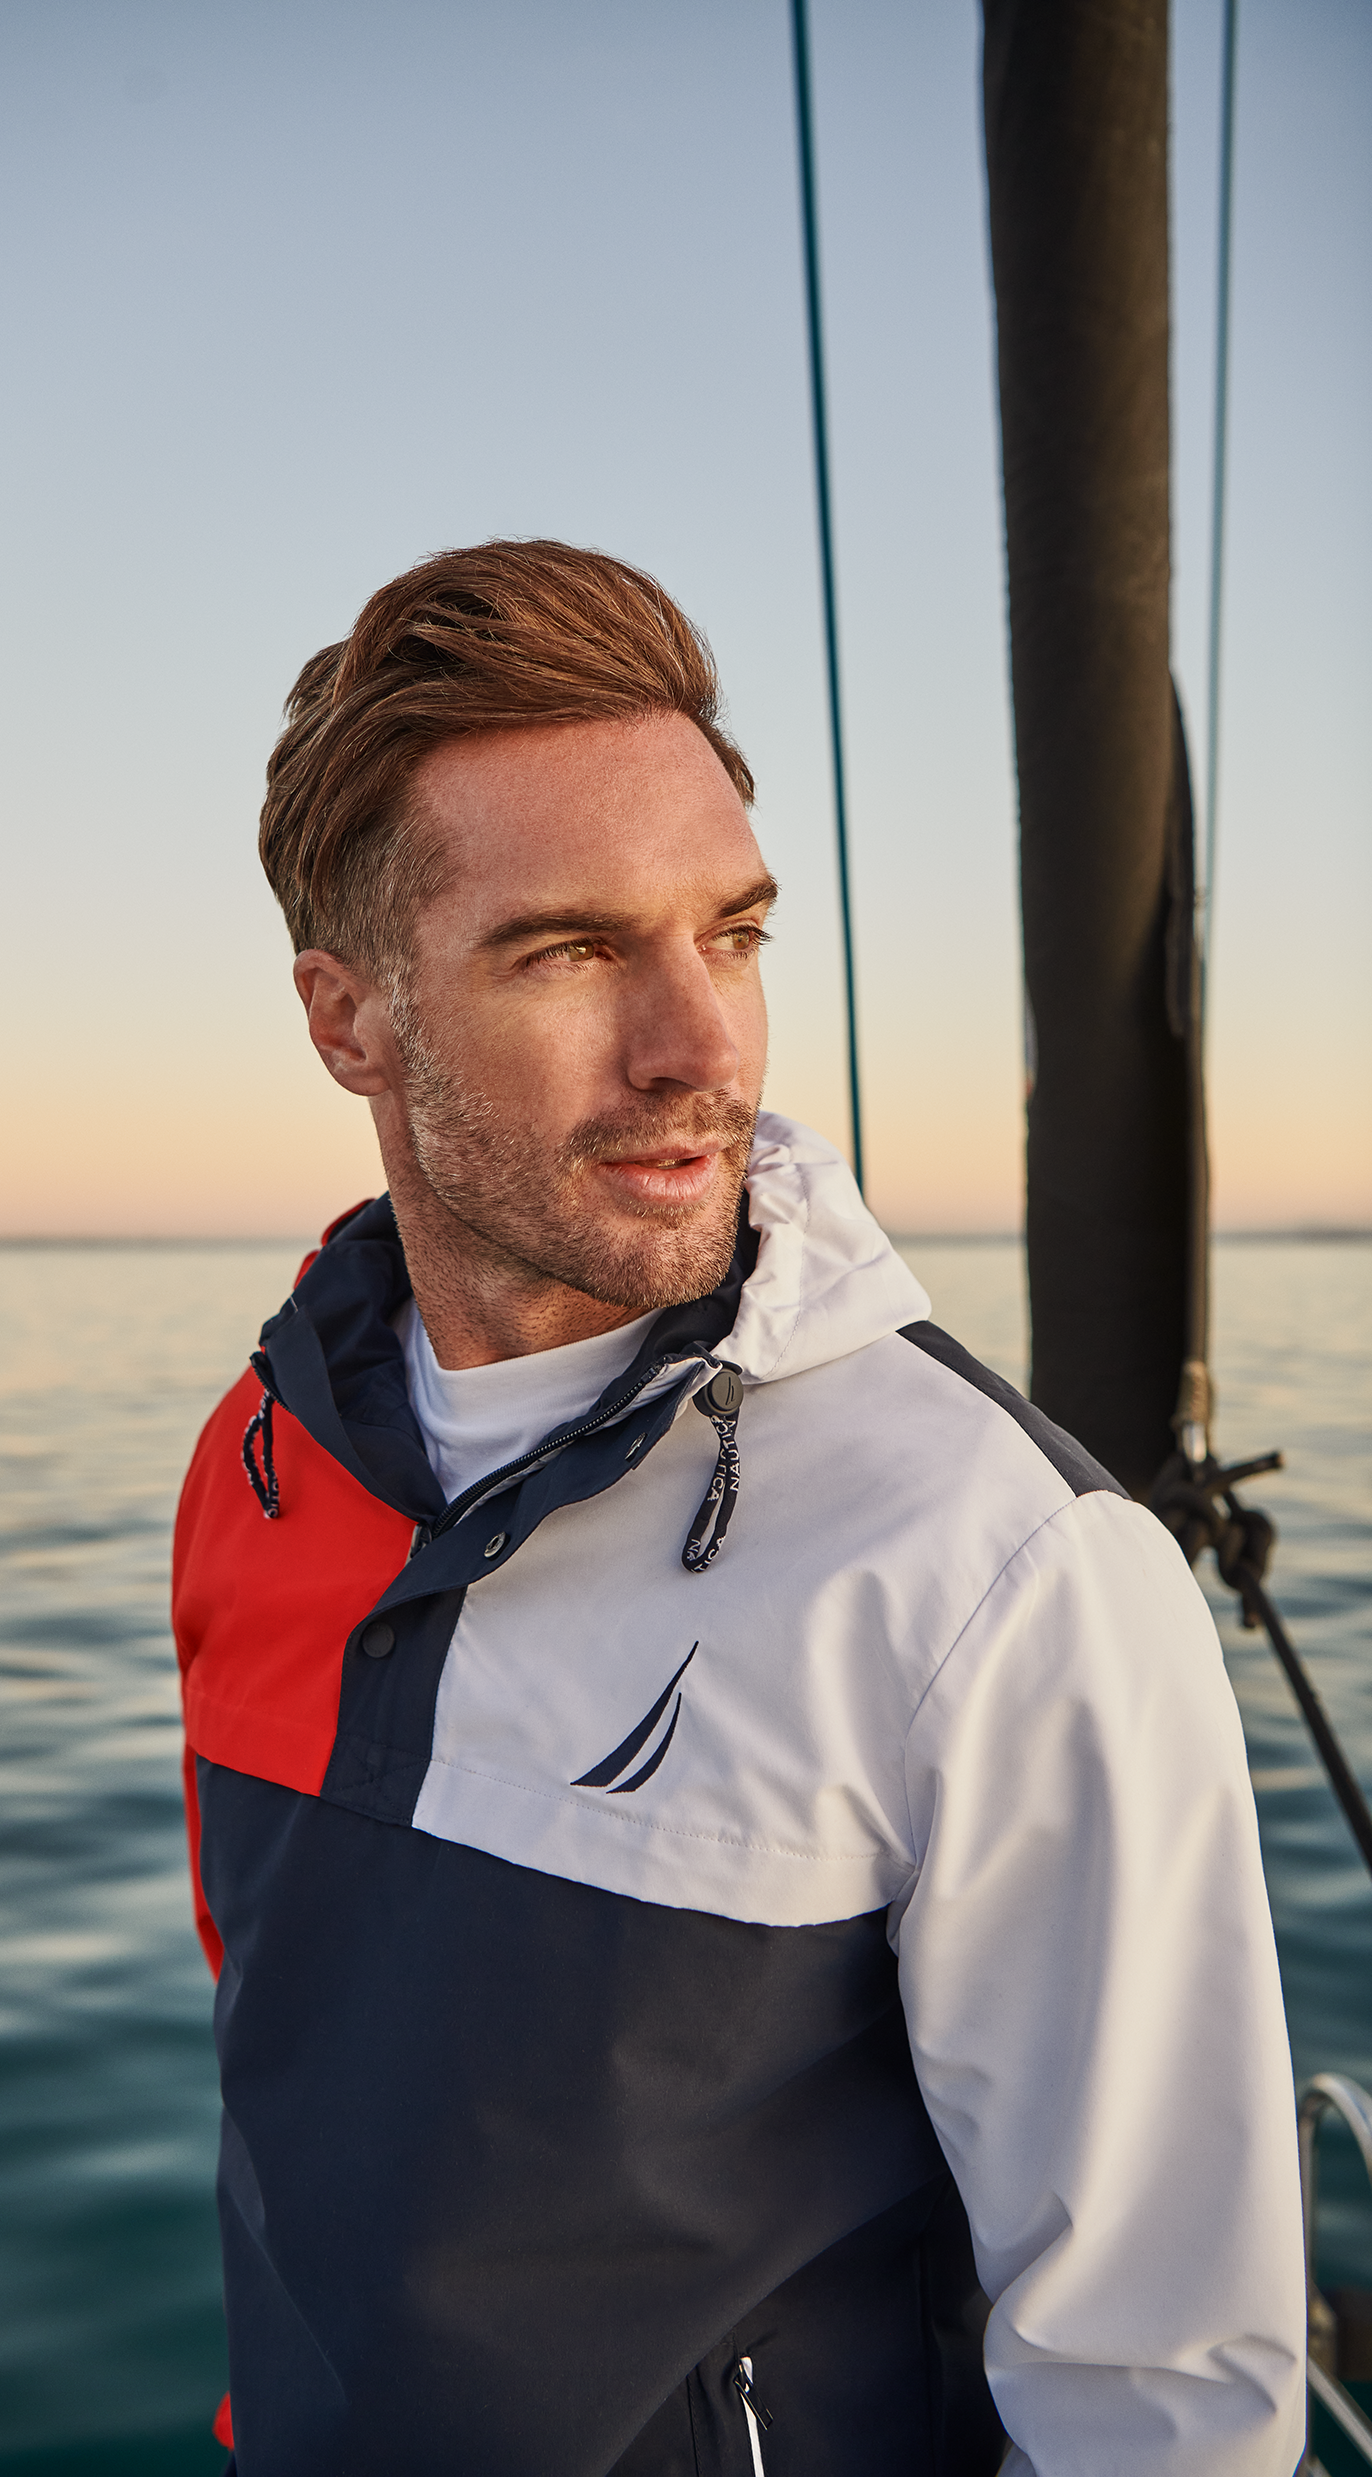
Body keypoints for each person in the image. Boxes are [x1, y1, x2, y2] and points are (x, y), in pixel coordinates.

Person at [172, 539, 1305, 2475]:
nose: (700, 1046)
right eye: (570, 951)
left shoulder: (996, 1566)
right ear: (349, 1021)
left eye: (733, 932)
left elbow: (1160, 2402)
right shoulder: (258, 1462)